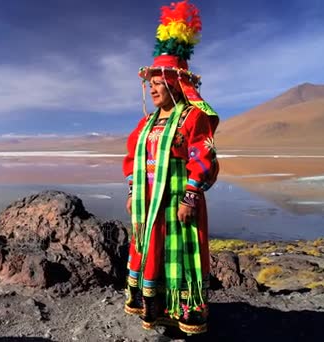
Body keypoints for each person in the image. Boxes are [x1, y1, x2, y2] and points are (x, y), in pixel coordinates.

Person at [122, 0, 219, 335]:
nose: (152, 86)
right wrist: (135, 192)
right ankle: (158, 314)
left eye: (158, 81)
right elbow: (132, 157)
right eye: (150, 81)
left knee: (180, 261)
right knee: (153, 257)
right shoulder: (146, 123)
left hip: (178, 204)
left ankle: (185, 317)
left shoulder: (193, 118)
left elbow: (203, 158)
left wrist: (190, 197)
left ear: (175, 84)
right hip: (149, 206)